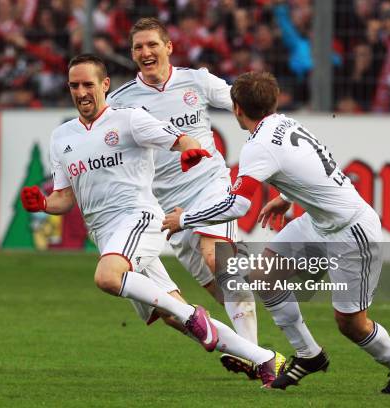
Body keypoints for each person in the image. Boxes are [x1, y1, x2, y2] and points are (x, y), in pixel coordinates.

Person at [20, 54, 283, 386]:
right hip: (105, 233)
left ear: (104, 85)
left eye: (88, 84)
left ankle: (196, 316)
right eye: (74, 85)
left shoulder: (129, 119)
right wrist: (43, 203)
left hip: (138, 217)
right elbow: (64, 198)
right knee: (169, 314)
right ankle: (262, 358)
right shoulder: (62, 137)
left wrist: (189, 150)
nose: (82, 92)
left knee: (108, 277)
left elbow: (180, 138)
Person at [162, 71, 390, 395]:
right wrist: (286, 198)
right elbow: (313, 164)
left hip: (351, 232)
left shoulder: (258, 146)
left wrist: (185, 219)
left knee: (351, 324)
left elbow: (237, 205)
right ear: (274, 101)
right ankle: (308, 355)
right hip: (318, 223)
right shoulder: (286, 123)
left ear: (236, 109)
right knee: (265, 275)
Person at [106, 17, 261, 379]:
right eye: (138, 48)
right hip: (167, 209)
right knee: (213, 288)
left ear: (169, 47)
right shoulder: (121, 102)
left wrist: (268, 146)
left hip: (210, 185)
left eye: (152, 45)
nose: (146, 52)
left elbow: (248, 109)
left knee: (215, 257)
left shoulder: (197, 81)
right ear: (132, 54)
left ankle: (256, 357)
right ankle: (255, 341)